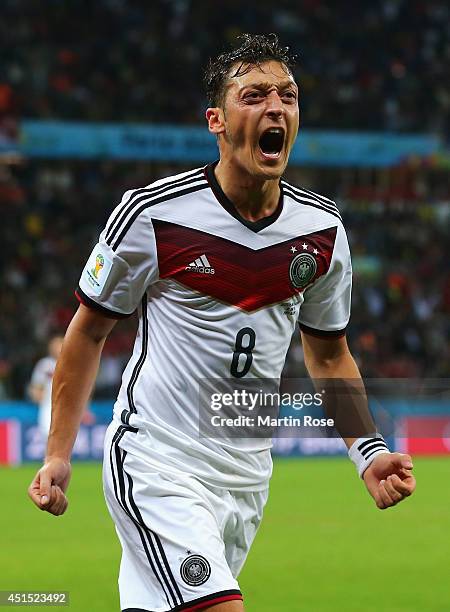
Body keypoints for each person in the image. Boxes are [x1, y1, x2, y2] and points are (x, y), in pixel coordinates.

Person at [28, 34, 416, 612]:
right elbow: (88, 331)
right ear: (216, 119)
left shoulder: (323, 232)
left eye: (287, 95)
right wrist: (58, 453)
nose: (275, 108)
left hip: (246, 477)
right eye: (254, 95)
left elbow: (330, 355)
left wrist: (367, 449)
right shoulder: (152, 217)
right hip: (157, 460)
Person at [29, 335, 64, 438]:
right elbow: (36, 385)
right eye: (55, 345)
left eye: (60, 344)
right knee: (48, 437)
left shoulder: (71, 362)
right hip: (49, 405)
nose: (57, 348)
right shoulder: (44, 364)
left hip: (67, 406)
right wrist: (39, 398)